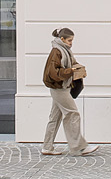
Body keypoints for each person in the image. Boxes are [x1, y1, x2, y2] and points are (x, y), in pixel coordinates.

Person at [40, 26, 96, 155]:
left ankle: (47, 147)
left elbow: (69, 65)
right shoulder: (57, 51)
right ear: (62, 39)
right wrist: (70, 71)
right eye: (69, 40)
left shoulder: (63, 50)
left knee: (55, 117)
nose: (71, 43)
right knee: (72, 114)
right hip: (59, 88)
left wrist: (78, 69)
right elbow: (54, 73)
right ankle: (78, 147)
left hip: (59, 88)